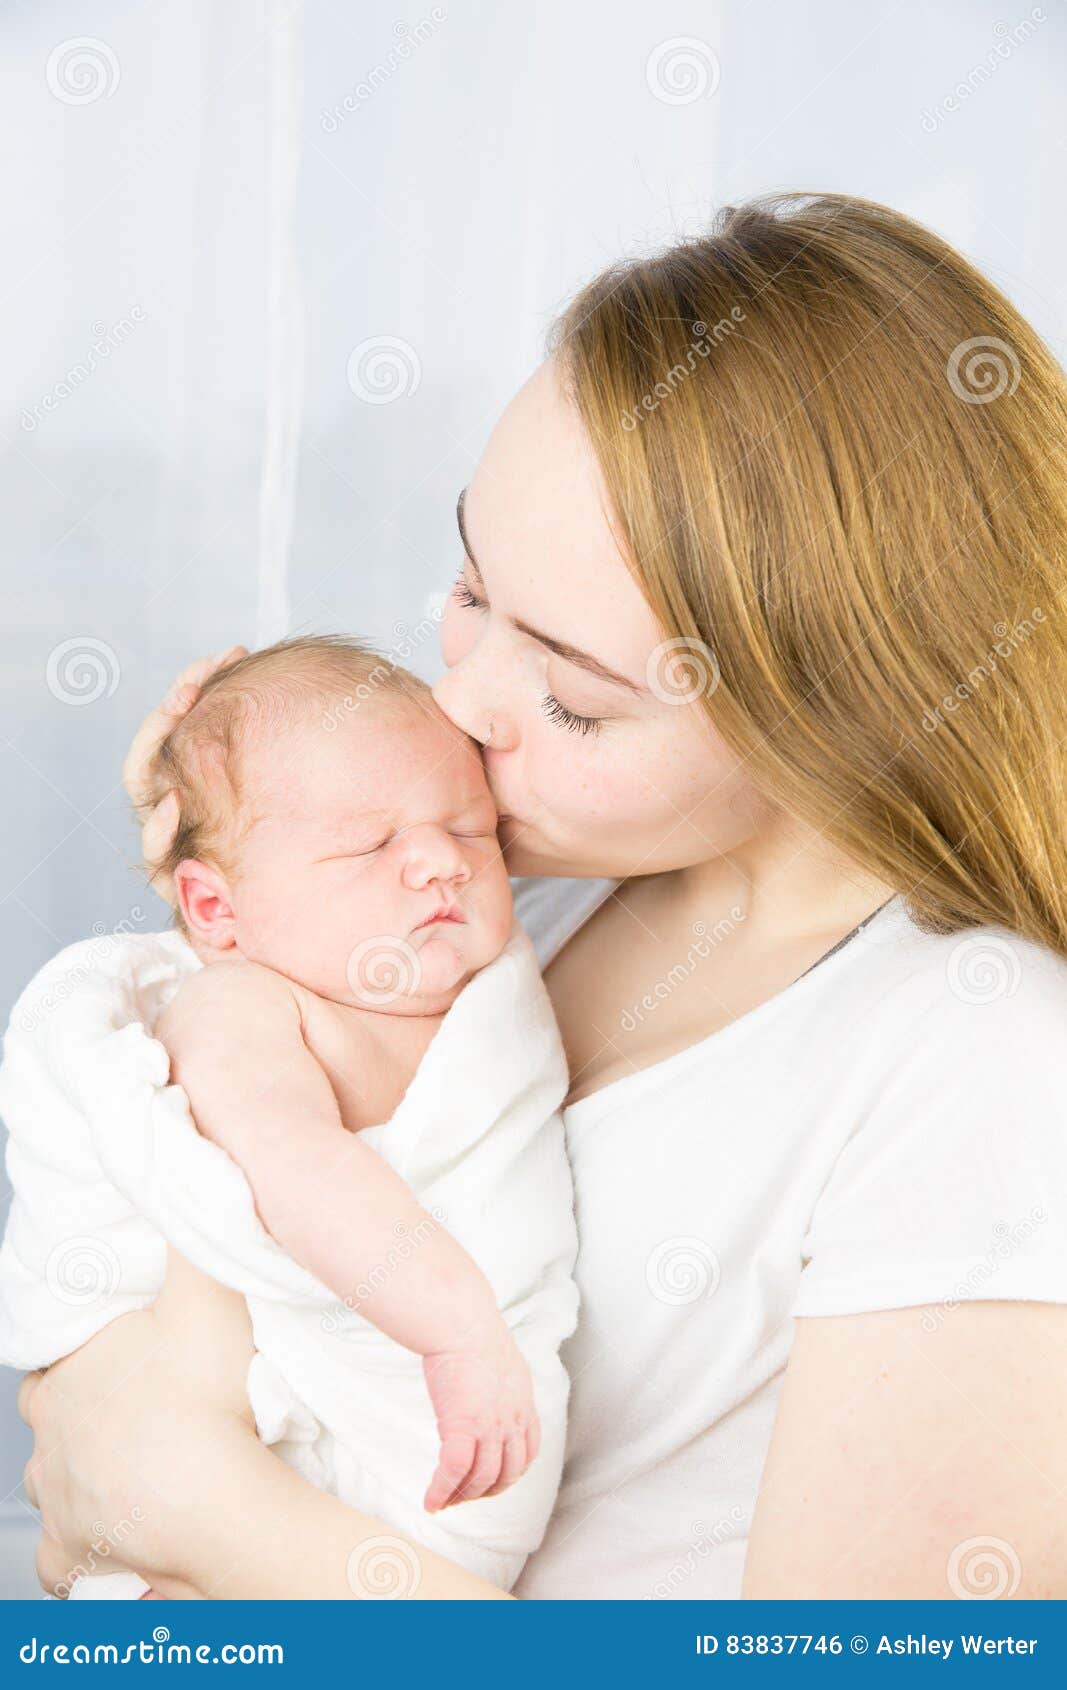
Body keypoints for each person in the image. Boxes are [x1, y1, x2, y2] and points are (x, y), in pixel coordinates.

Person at [20, 192, 1067, 1601]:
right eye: (470, 580)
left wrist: (180, 1492)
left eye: (570, 697)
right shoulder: (554, 875)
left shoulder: (984, 1059)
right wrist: (250, 855)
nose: (459, 696)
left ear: (839, 721)